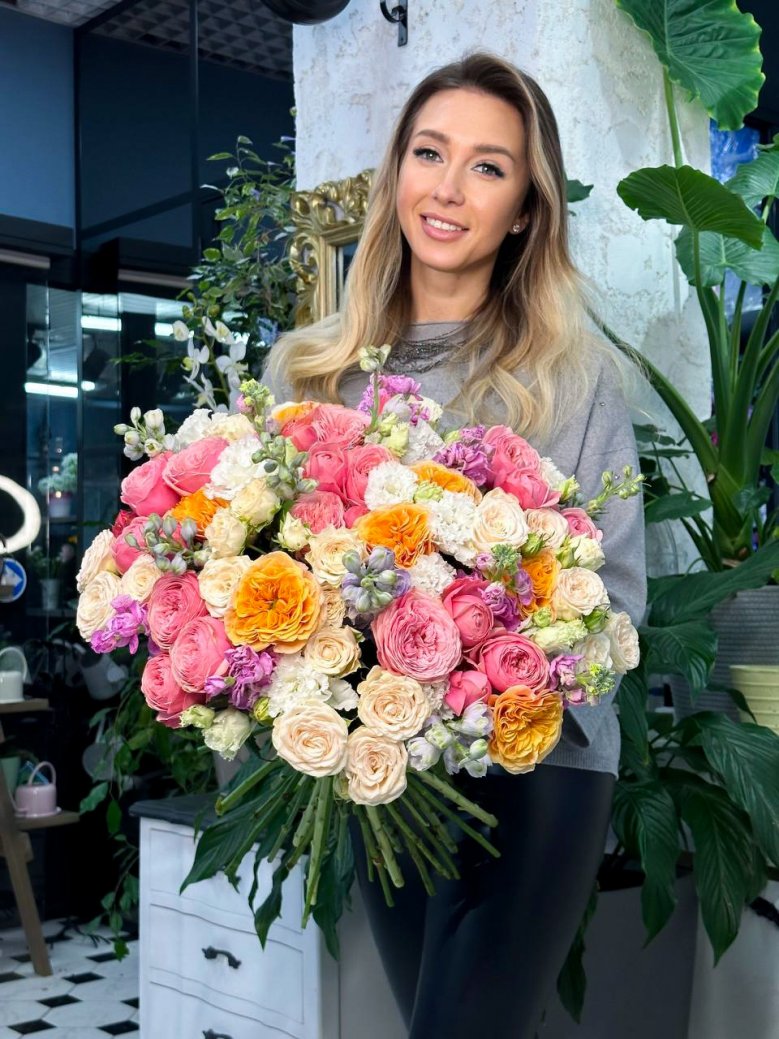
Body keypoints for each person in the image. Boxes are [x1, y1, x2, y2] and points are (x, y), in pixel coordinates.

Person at [264, 52, 646, 1039]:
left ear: (522, 209)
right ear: (396, 171)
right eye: (429, 153)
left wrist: (476, 668)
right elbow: (271, 574)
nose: (447, 187)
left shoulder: (570, 378)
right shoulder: (311, 373)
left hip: (534, 764)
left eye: (487, 166)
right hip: (379, 765)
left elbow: (615, 599)